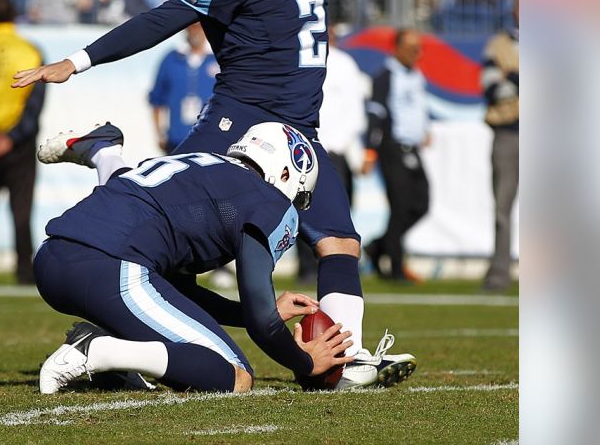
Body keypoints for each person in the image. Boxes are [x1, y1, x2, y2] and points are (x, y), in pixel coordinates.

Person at [14, 0, 416, 388]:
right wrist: (81, 60)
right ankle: (105, 160)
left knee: (339, 243)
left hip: (300, 131)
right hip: (240, 123)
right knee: (162, 227)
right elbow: (162, 19)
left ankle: (345, 355)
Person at [33, 121, 375, 393]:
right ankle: (102, 350)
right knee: (236, 377)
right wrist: (305, 362)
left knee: (181, 337)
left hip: (53, 261)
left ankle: (116, 360)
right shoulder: (268, 200)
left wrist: (255, 313)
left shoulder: (197, 169)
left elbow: (180, 295)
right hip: (111, 268)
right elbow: (262, 322)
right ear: (285, 174)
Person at [0, 0, 47, 283]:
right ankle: (24, 272)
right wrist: (11, 137)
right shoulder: (29, 51)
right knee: (21, 211)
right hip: (17, 144)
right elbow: (34, 105)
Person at [297, 26, 368, 285]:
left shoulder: (344, 64)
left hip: (334, 149)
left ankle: (339, 267)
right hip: (304, 148)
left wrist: (342, 145)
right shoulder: (298, 59)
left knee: (339, 211)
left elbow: (354, 110)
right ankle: (306, 267)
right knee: (304, 210)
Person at [363, 29, 431, 282]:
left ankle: (379, 246)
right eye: (412, 48)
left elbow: (417, 108)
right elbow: (376, 114)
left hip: (412, 149)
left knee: (422, 204)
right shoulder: (386, 76)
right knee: (400, 207)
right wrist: (370, 149)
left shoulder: (416, 75)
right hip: (392, 148)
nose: (417, 53)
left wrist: (424, 130)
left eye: (419, 48)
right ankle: (396, 267)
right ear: (397, 48)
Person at [481, 0, 518, 291]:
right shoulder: (498, 45)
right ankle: (499, 272)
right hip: (508, 133)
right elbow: (494, 89)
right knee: (502, 208)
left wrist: (514, 76)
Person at [150, 23, 219, 153]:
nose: (195, 31)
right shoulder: (172, 58)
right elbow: (157, 99)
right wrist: (159, 133)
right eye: (191, 27)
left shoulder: (218, 58)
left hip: (210, 140)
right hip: (177, 139)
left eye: (199, 27)